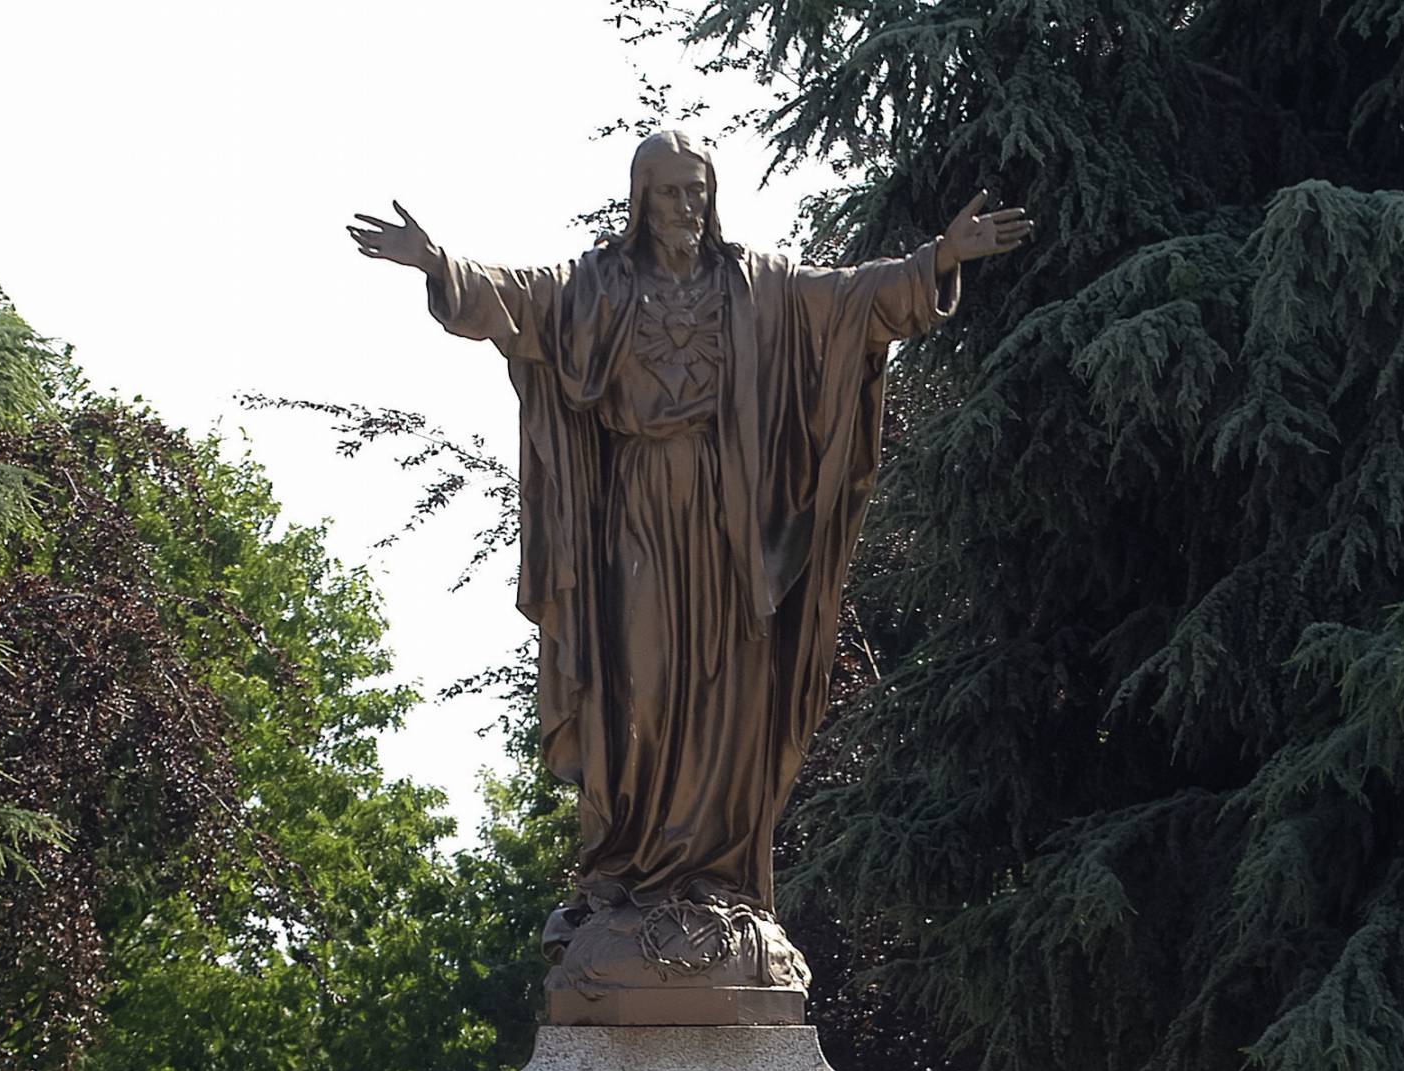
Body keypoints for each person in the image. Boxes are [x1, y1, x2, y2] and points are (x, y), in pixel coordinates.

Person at [349, 133, 1028, 1016]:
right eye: (670, 193)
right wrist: (438, 263)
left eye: (698, 191)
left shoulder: (757, 284)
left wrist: (936, 260)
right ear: (641, 199)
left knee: (728, 692)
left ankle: (713, 881)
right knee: (640, 685)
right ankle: (631, 873)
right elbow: (516, 300)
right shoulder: (598, 285)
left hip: (730, 525)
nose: (686, 208)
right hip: (637, 512)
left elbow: (852, 300)